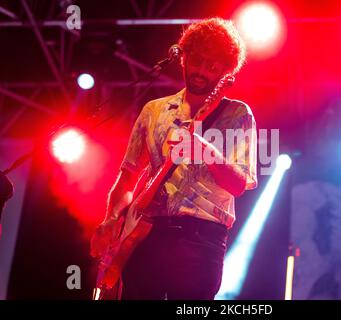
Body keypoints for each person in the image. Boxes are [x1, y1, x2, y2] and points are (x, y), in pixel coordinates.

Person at [90, 17, 257, 300]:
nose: (202, 70)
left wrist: (204, 148)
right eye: (198, 60)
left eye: (213, 65)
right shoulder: (154, 111)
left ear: (227, 71)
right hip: (146, 235)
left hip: (202, 237)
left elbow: (239, 184)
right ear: (184, 57)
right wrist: (110, 218)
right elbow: (128, 175)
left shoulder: (238, 115)